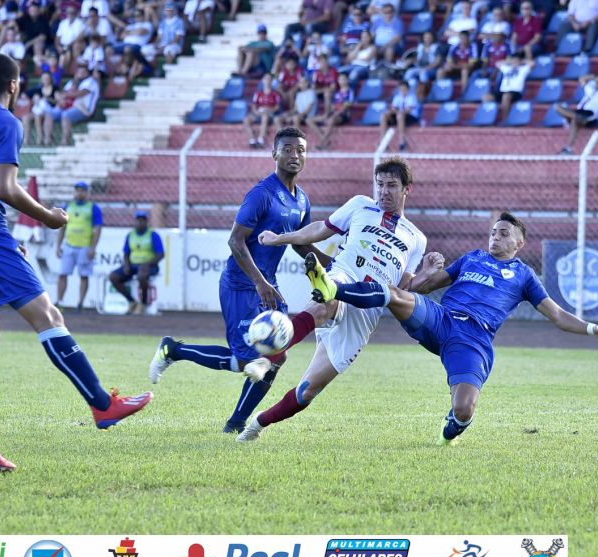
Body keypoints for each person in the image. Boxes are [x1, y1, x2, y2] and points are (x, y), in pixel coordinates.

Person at [0, 53, 152, 472]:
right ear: (14, 86)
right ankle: (102, 404)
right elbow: (5, 187)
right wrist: (49, 217)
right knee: (48, 315)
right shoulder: (7, 122)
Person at [299, 212, 598, 445]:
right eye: (493, 232)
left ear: (520, 242)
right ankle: (331, 289)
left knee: (464, 407)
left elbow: (557, 316)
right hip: (441, 319)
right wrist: (429, 270)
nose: (495, 237)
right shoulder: (471, 259)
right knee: (395, 294)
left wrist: (594, 329)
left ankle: (453, 428)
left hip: (473, 342)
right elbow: (423, 288)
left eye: (503, 233)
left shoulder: (524, 276)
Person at [148, 127, 331, 434]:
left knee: (276, 356)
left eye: (300, 150)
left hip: (266, 285)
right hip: (241, 284)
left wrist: (331, 266)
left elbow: (299, 243)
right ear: (274, 154)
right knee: (247, 362)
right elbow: (236, 241)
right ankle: (173, 350)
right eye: (287, 149)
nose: (294, 155)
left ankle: (235, 424)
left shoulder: (301, 200)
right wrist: (260, 283)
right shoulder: (262, 193)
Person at [235, 157, 429, 442]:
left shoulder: (417, 238)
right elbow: (319, 229)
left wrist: (429, 272)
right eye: (380, 184)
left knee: (307, 392)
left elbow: (403, 287)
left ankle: (256, 425)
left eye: (392, 186)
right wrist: (280, 239)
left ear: (406, 189)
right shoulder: (360, 205)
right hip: (344, 274)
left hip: (367, 310)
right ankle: (267, 360)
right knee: (327, 300)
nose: (384, 191)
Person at [55, 181, 103, 312]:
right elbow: (62, 227)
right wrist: (58, 245)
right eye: (77, 190)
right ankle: (60, 302)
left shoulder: (93, 208)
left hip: (84, 247)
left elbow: (98, 229)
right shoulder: (68, 206)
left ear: (87, 193)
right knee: (63, 274)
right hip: (69, 245)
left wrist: (93, 247)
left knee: (83, 275)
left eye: (82, 190)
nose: (79, 193)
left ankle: (80, 303)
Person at [109, 211, 164, 315]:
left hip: (149, 266)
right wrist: (126, 265)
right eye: (138, 220)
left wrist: (147, 264)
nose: (140, 222)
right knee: (113, 277)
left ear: (146, 222)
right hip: (133, 265)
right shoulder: (131, 235)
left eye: (142, 220)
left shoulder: (153, 235)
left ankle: (142, 304)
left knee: (142, 277)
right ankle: (131, 301)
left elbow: (160, 254)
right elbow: (126, 253)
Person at [556, 73, 598, 155]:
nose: (597, 84)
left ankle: (568, 148)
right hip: (579, 111)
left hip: (590, 114)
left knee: (574, 120)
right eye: (596, 82)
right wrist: (593, 77)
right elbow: (582, 79)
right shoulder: (590, 89)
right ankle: (577, 118)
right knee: (558, 108)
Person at [243, 73, 282, 148]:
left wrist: (269, 110)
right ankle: (252, 140)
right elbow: (254, 106)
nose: (268, 81)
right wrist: (256, 112)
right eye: (266, 79)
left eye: (269, 79)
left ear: (272, 81)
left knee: (265, 117)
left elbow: (277, 107)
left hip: (270, 114)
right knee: (246, 120)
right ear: (263, 80)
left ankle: (261, 140)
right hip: (259, 113)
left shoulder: (275, 94)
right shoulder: (258, 93)